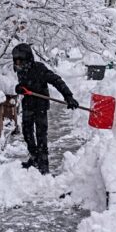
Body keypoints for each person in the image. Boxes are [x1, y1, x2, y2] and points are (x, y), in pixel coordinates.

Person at [13, 43, 79, 175]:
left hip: (40, 106)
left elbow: (56, 80)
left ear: (28, 58)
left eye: (20, 60)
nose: (18, 63)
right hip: (28, 105)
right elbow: (22, 86)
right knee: (27, 133)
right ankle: (34, 158)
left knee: (41, 135)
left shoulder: (39, 68)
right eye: (16, 60)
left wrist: (68, 96)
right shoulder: (20, 70)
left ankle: (44, 165)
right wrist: (19, 88)